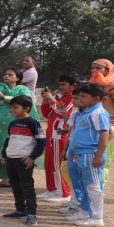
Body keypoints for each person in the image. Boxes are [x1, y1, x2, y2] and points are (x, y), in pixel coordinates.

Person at [63, 83, 111, 227]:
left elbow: (105, 134)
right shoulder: (85, 112)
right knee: (84, 185)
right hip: (79, 154)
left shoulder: (98, 113)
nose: (81, 99)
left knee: (93, 186)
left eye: (84, 96)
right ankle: (85, 211)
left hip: (90, 154)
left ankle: (96, 217)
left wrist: (98, 155)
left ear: (96, 98)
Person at [0, 68, 34, 188]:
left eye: (11, 74)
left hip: (17, 124)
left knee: (15, 151)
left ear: (17, 78)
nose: (7, 76)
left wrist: (4, 97)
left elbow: (24, 102)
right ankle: (4, 179)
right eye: (5, 74)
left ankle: (16, 178)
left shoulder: (23, 89)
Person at [2, 95, 46, 225]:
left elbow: (41, 141)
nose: (12, 110)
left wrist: (32, 157)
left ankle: (32, 213)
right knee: (15, 185)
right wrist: (5, 155)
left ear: (26, 108)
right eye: (11, 107)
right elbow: (8, 140)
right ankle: (20, 210)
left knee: (27, 186)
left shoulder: (33, 122)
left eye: (15, 107)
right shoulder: (13, 123)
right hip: (11, 158)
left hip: (24, 159)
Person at [40, 74, 78, 203]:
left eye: (64, 85)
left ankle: (63, 192)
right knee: (49, 163)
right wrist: (46, 101)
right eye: (60, 84)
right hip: (51, 133)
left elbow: (62, 112)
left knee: (57, 164)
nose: (60, 87)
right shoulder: (60, 97)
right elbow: (47, 113)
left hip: (60, 134)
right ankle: (52, 188)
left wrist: (52, 100)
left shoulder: (73, 98)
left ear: (73, 86)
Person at [89, 58, 114, 173]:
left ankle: (99, 187)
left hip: (109, 124)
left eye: (98, 68)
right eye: (93, 68)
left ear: (107, 70)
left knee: (102, 158)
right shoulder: (91, 83)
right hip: (92, 125)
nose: (94, 70)